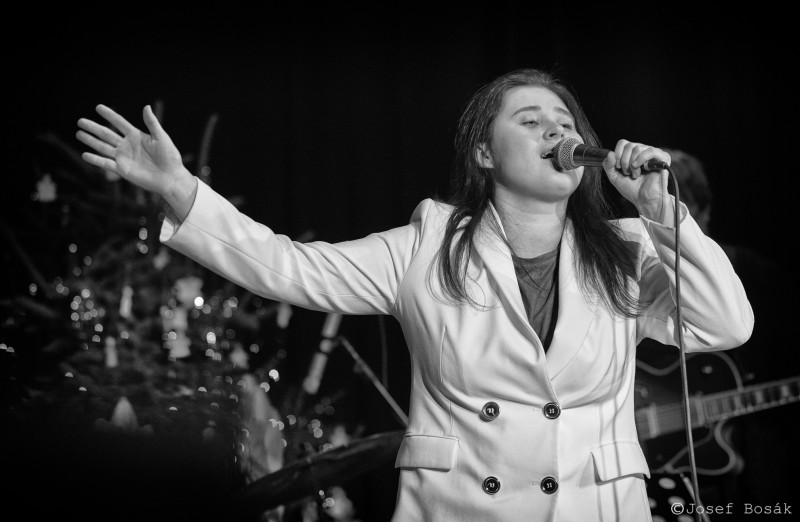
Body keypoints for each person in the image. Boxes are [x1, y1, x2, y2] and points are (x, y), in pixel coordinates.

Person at [76, 68, 753, 521]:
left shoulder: (630, 248)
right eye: (531, 121)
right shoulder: (426, 247)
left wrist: (662, 213)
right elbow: (289, 267)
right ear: (484, 154)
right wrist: (181, 191)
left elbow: (727, 325)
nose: (560, 133)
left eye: (567, 122)